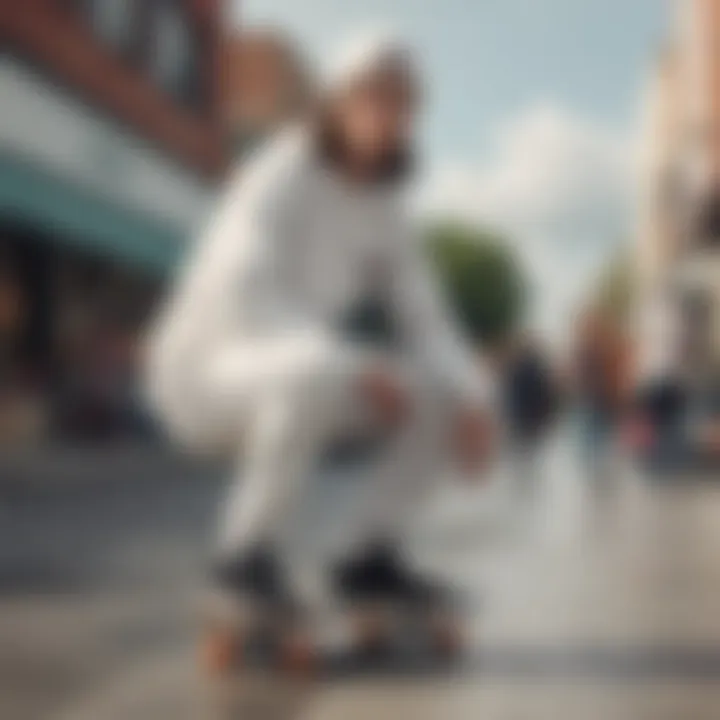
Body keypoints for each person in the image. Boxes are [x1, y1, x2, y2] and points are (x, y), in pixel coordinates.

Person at [145, 34, 495, 633]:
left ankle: (365, 558)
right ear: (335, 102)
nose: (387, 114)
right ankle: (242, 558)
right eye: (372, 96)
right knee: (313, 371)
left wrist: (474, 398)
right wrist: (350, 363)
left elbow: (429, 319)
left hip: (305, 372)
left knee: (434, 392)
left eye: (403, 103)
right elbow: (242, 292)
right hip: (202, 374)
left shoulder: (388, 210)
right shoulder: (280, 172)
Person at [503, 334, 558, 497]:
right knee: (531, 452)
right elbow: (546, 395)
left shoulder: (515, 370)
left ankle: (523, 482)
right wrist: (544, 416)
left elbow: (511, 394)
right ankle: (530, 481)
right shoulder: (538, 371)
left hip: (521, 416)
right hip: (532, 417)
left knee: (522, 452)